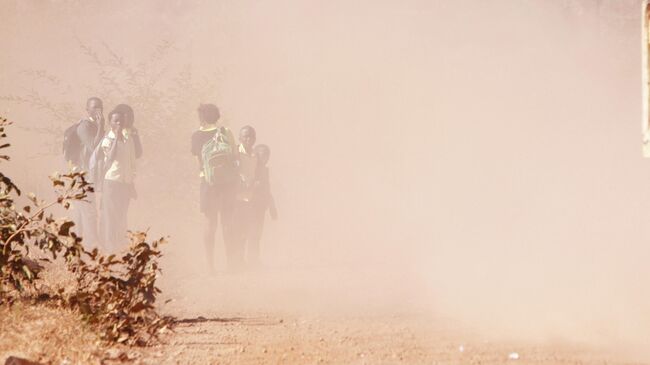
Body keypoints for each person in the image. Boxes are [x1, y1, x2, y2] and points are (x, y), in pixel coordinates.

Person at [191, 103, 237, 273]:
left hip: (208, 184)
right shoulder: (226, 132)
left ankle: (210, 266)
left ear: (202, 117)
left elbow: (199, 162)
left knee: (210, 224)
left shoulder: (197, 136)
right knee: (227, 223)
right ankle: (231, 264)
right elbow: (234, 155)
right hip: (227, 184)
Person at [99, 104, 142, 252]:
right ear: (110, 123)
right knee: (111, 216)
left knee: (122, 215)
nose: (118, 124)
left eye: (120, 121)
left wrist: (131, 183)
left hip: (125, 183)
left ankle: (121, 246)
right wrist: (116, 138)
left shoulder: (128, 139)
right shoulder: (108, 140)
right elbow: (110, 158)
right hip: (111, 183)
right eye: (115, 121)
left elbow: (131, 162)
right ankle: (110, 249)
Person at [64, 97, 105, 248]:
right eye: (94, 108)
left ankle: (76, 249)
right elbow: (94, 148)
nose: (97, 110)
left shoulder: (95, 126)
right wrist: (101, 127)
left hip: (86, 175)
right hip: (81, 176)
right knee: (88, 212)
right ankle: (92, 247)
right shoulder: (84, 127)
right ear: (87, 109)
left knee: (80, 215)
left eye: (100, 107)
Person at [231, 125, 260, 269]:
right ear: (240, 138)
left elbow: (258, 174)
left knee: (250, 230)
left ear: (254, 139)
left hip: (251, 198)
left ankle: (250, 262)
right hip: (237, 198)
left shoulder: (256, 155)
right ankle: (237, 261)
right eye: (245, 136)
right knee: (238, 231)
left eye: (250, 136)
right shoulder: (235, 153)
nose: (247, 139)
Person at [247, 144, 277, 267]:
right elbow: (245, 185)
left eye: (266, 154)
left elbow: (267, 189)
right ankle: (250, 259)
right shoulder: (250, 168)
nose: (264, 157)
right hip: (251, 205)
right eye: (261, 154)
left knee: (257, 233)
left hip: (261, 206)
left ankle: (254, 259)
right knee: (252, 233)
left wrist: (272, 206)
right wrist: (254, 184)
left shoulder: (265, 170)